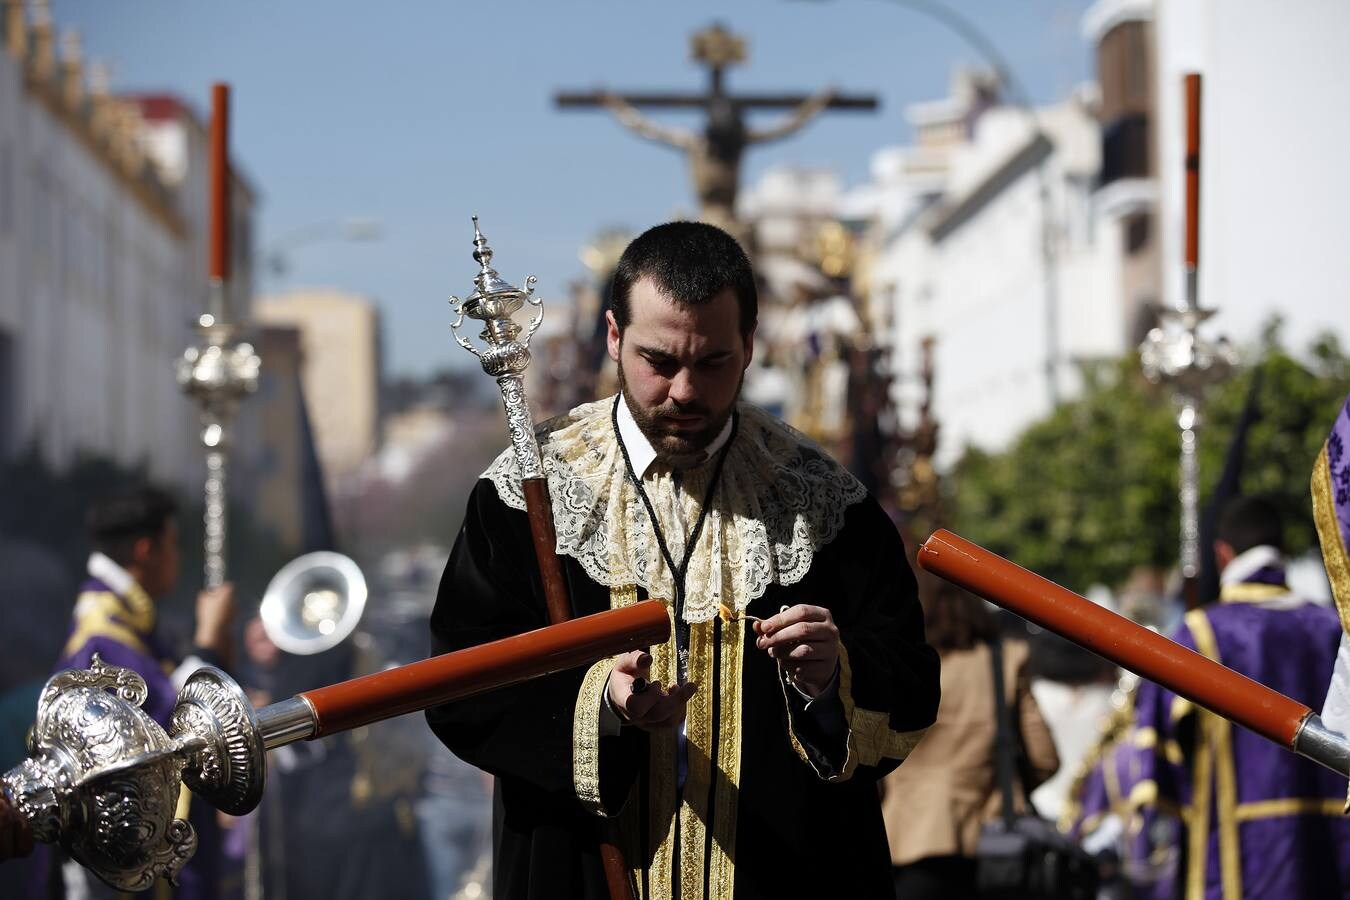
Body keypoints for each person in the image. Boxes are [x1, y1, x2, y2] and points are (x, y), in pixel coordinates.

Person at [426, 221, 940, 899]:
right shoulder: (528, 496)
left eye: (713, 362)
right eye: (659, 361)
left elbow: (909, 685)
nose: (685, 391)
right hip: (581, 871)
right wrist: (598, 706)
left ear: (750, 347)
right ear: (614, 336)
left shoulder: (826, 503)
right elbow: (463, 684)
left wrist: (831, 678)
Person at [1129, 495, 1350, 898]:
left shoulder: (1199, 634)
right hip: (1333, 850)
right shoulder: (1337, 630)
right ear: (1283, 551)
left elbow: (1160, 762)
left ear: (1223, 554)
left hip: (1236, 857)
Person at [31, 485, 236, 899]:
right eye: (173, 546)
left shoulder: (122, 619)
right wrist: (209, 643)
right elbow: (162, 730)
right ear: (146, 551)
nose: (177, 559)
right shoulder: (101, 637)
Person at [882, 581, 1059, 898]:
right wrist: (1005, 787)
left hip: (908, 839)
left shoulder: (900, 664)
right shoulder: (1005, 662)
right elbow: (1044, 758)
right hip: (995, 846)